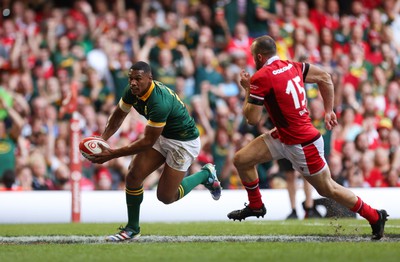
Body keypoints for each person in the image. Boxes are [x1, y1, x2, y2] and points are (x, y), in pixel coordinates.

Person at [227, 35, 388, 240]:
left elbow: (252, 119)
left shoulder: (261, 77)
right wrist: (329, 110)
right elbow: (325, 77)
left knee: (328, 188)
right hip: (285, 135)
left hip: (301, 143)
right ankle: (256, 205)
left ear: (259, 57)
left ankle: (375, 216)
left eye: (253, 56)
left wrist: (248, 88)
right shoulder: (293, 66)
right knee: (242, 160)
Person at [87, 61, 222, 242]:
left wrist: (112, 154)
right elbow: (118, 115)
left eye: (138, 79)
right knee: (133, 176)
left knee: (166, 197)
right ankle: (132, 228)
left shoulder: (159, 102)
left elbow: (147, 142)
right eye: (131, 78)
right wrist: (103, 139)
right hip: (163, 135)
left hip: (183, 142)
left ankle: (205, 174)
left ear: (150, 79)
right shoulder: (132, 91)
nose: (133, 82)